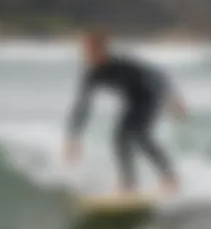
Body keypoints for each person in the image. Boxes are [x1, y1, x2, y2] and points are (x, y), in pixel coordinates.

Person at [63, 30, 187, 193]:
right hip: (133, 101)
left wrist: (171, 98)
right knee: (119, 138)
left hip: (150, 96)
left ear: (102, 50)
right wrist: (74, 137)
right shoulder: (92, 75)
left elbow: (156, 75)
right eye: (85, 51)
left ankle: (170, 178)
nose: (87, 55)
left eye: (90, 50)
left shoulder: (122, 65)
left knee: (139, 135)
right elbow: (82, 106)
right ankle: (129, 183)